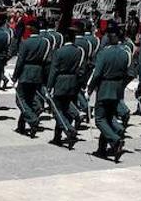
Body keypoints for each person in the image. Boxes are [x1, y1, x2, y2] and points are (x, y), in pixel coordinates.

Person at [87, 25, 130, 162]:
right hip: (117, 88)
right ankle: (102, 148)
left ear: (111, 36)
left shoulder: (104, 53)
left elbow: (97, 73)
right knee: (109, 117)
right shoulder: (125, 52)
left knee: (100, 119)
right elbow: (128, 73)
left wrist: (90, 87)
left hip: (105, 86)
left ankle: (116, 140)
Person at [46, 28, 85, 149]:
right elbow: (81, 70)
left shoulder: (59, 52)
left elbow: (54, 70)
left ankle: (68, 130)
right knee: (67, 106)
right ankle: (58, 135)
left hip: (61, 81)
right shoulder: (79, 51)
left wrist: (49, 86)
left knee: (57, 109)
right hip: (73, 80)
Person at [12, 20, 50, 137]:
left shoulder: (26, 42)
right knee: (30, 97)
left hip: (26, 71)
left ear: (32, 29)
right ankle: (21, 125)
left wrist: (15, 76)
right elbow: (46, 60)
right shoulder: (45, 42)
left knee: (21, 99)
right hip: (38, 72)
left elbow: (20, 61)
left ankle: (33, 120)